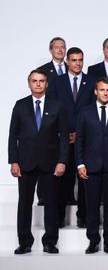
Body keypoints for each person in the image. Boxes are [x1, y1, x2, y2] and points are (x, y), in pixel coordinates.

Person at [8, 69, 68, 254]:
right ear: (29, 83)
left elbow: (64, 137)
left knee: (51, 203)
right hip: (25, 162)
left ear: (47, 83)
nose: (38, 84)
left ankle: (50, 241)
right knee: (24, 203)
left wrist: (62, 161)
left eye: (42, 81)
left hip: (50, 163)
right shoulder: (20, 105)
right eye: (34, 81)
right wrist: (13, 161)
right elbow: (13, 136)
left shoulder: (57, 105)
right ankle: (25, 242)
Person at [75, 78, 108, 254]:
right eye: (102, 90)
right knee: (91, 206)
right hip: (90, 167)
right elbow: (79, 141)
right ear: (95, 91)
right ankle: (93, 241)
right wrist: (80, 163)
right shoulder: (85, 112)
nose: (105, 93)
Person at [50, 46, 94, 228]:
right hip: (63, 139)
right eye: (74, 60)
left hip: (86, 139)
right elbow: (52, 109)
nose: (77, 63)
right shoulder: (56, 82)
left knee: (84, 180)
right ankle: (59, 218)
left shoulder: (91, 81)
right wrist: (64, 133)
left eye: (80, 60)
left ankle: (83, 217)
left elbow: (94, 110)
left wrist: (81, 133)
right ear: (67, 61)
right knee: (62, 179)